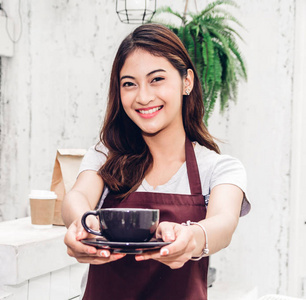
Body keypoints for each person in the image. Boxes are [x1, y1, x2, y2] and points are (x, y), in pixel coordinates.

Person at [62, 23, 250, 300]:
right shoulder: (105, 155)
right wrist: (79, 225)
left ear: (187, 81)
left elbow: (223, 223)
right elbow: (77, 196)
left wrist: (192, 237)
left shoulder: (219, 168)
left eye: (156, 79)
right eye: (129, 84)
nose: (143, 97)